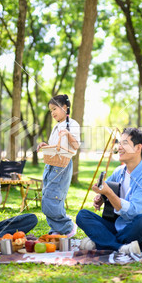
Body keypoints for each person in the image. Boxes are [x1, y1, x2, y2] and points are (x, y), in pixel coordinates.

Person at [76, 128, 142, 254]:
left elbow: (133, 212)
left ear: (138, 148)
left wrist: (108, 193)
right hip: (120, 227)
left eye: (124, 143)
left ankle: (102, 242)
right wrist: (102, 197)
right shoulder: (119, 171)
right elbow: (107, 187)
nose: (119, 147)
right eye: (120, 143)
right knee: (82, 215)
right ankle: (120, 247)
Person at [37, 94, 80, 236]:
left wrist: (67, 134)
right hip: (51, 165)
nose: (53, 113)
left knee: (53, 197)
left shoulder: (72, 124)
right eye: (50, 111)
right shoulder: (56, 127)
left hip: (62, 165)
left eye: (55, 109)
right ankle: (56, 229)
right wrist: (46, 145)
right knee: (46, 196)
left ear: (65, 108)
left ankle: (67, 227)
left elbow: (75, 146)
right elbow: (55, 146)